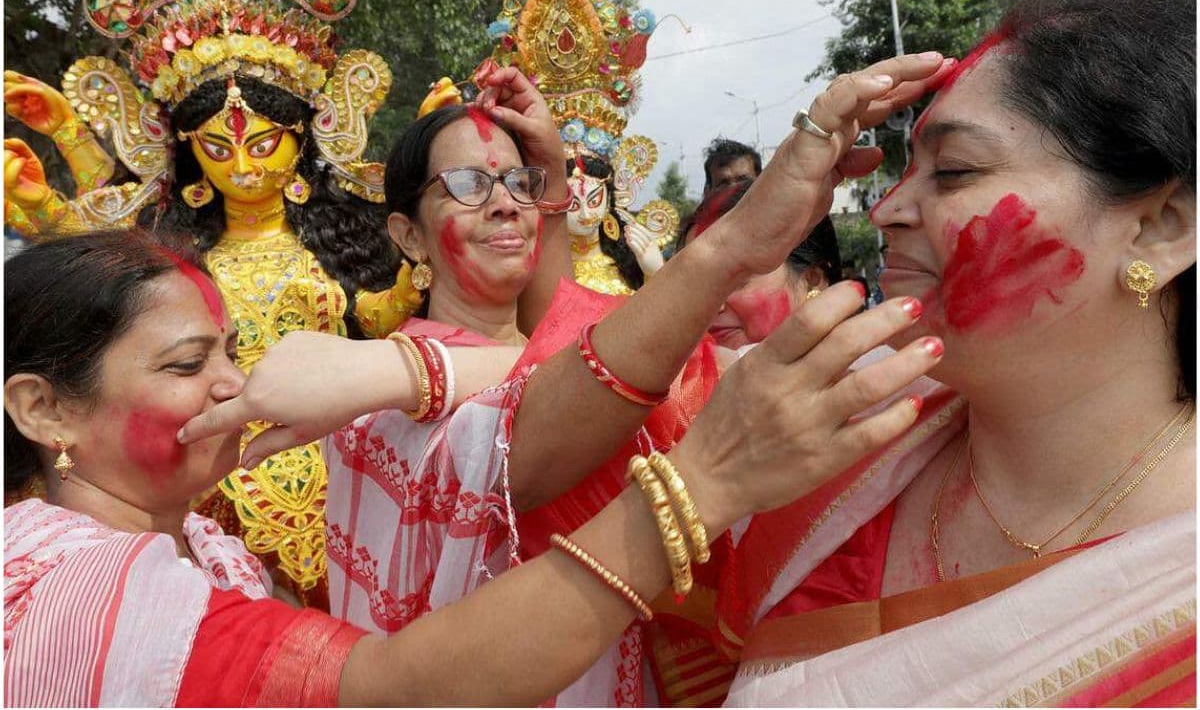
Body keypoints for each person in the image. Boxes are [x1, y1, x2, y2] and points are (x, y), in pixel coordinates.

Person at [4, 158, 940, 707]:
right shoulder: (71, 588)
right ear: (41, 408)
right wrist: (708, 477)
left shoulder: (206, 541)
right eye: (183, 367)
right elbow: (399, 684)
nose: (230, 385)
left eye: (521, 179)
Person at [174, 49, 956, 705]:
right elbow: (543, 421)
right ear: (407, 234)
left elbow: (577, 357)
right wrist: (735, 245)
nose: (507, 207)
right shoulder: (380, 416)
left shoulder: (390, 374)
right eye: (471, 187)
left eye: (520, 186)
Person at [720, 0, 1196, 707]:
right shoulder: (831, 430)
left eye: (954, 172)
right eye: (905, 172)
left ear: (1159, 228)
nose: (885, 210)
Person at [0, 0, 432, 606]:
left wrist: (427, 253)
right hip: (196, 484)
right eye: (217, 146)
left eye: (264, 145)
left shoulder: (339, 242)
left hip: (336, 476)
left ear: (303, 141)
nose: (242, 164)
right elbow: (75, 309)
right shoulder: (172, 263)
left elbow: (379, 318)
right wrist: (57, 197)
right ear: (186, 151)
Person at [483, 0, 678, 295]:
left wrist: (656, 274)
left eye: (594, 198)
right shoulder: (526, 266)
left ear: (610, 198)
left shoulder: (625, 266)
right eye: (573, 201)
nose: (587, 213)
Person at [679, 179, 844, 353]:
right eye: (695, 286)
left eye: (735, 279)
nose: (710, 307)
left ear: (812, 280)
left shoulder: (866, 373)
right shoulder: (671, 377)